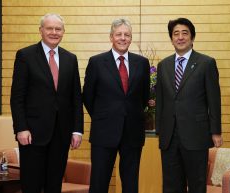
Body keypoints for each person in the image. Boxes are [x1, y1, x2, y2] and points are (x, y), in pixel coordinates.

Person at [10, 13, 83, 193]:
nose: (54, 32)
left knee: (54, 185)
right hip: (32, 134)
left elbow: (76, 98)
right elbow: (17, 97)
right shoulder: (25, 56)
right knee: (32, 185)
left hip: (61, 134)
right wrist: (21, 128)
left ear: (63, 32)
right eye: (49, 28)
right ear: (41, 30)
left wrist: (77, 129)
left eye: (58, 29)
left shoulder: (70, 59)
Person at [155, 18, 223, 193]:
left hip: (196, 135)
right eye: (175, 34)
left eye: (185, 33)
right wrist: (159, 130)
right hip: (169, 137)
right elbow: (161, 100)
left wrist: (216, 131)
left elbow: (214, 100)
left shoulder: (206, 63)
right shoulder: (163, 65)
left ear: (192, 38)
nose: (180, 37)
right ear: (171, 39)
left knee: (196, 184)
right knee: (171, 185)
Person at [83, 18, 150, 193]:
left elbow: (144, 97)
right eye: (118, 34)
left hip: (132, 132)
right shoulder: (96, 62)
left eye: (126, 35)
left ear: (131, 38)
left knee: (130, 183)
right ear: (111, 37)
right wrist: (103, 116)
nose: (123, 38)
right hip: (104, 131)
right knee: (99, 182)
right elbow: (88, 97)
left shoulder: (142, 63)